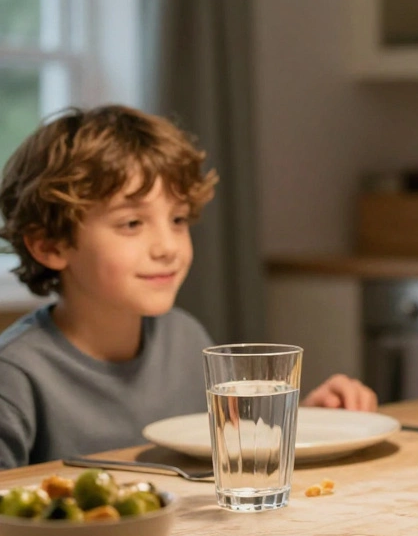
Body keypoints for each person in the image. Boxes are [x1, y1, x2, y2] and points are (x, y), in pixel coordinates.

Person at [0, 106, 377, 469]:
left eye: (178, 219)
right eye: (131, 223)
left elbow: (222, 458)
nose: (168, 247)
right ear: (50, 245)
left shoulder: (184, 338)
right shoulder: (15, 374)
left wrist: (311, 420)